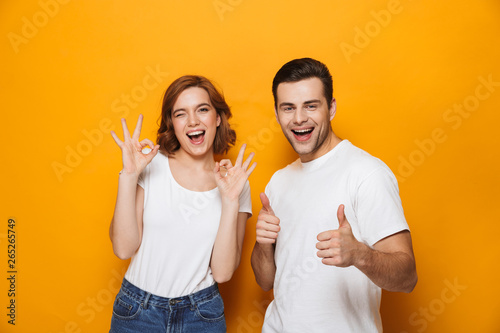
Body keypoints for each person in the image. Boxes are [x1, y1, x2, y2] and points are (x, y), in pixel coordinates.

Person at [251, 58, 417, 332]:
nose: (299, 118)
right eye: (288, 108)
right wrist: (263, 244)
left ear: (331, 108)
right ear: (277, 112)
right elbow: (265, 280)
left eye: (311, 106)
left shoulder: (367, 174)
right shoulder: (278, 182)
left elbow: (407, 277)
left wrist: (360, 255)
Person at [109, 75, 256, 332]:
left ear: (218, 117)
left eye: (202, 109)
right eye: (181, 114)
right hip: (138, 311)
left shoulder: (235, 182)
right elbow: (123, 248)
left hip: (201, 314)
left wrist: (230, 200)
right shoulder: (152, 166)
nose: (193, 121)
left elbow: (222, 273)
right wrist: (129, 176)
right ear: (172, 124)